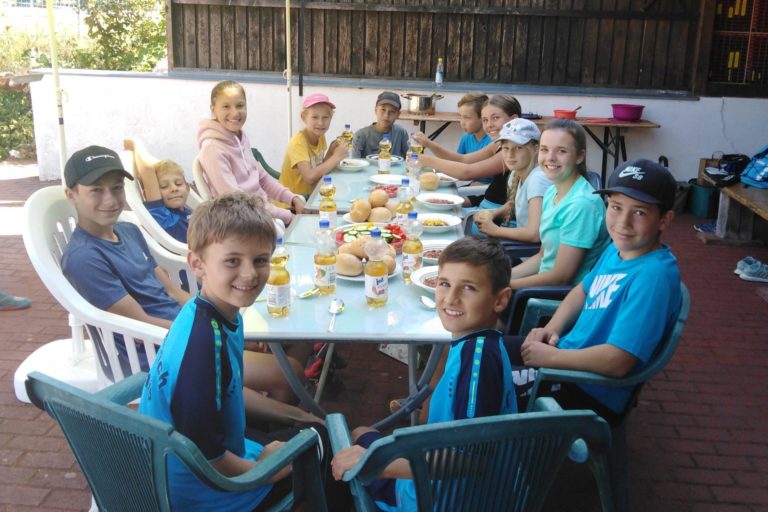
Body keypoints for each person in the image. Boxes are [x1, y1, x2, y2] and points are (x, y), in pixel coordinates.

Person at [61, 146, 314, 406]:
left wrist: (218, 320)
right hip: (161, 351)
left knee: (283, 341)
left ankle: (255, 416)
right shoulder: (84, 258)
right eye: (96, 190)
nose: (111, 200)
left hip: (187, 330)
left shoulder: (128, 231)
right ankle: (256, 421)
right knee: (288, 373)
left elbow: (171, 290)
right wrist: (218, 334)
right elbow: (140, 326)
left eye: (116, 188)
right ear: (71, 195)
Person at [139, 193, 332, 510]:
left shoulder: (205, 313)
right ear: (197, 264)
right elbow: (207, 457)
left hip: (181, 469)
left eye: (260, 260)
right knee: (323, 442)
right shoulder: (203, 349)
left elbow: (226, 392)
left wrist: (298, 414)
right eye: (232, 261)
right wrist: (265, 470)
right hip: (204, 493)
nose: (250, 274)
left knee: (307, 426)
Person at [331, 236, 517, 510]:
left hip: (438, 497)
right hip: (453, 476)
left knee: (345, 448)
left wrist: (380, 463)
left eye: (468, 288)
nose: (451, 298)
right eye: (444, 284)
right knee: (362, 432)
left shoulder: (477, 361)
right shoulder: (479, 343)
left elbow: (472, 459)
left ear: (500, 300)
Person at [506, 159, 683, 426]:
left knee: (481, 380)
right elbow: (582, 291)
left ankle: (467, 448)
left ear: (664, 220)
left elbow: (618, 361)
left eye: (639, 212)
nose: (623, 223)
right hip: (564, 356)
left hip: (587, 389)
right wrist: (551, 329)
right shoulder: (617, 249)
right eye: (616, 207)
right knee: (475, 349)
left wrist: (553, 357)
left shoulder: (653, 277)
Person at [509, 119, 610, 290]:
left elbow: (561, 277)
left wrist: (506, 287)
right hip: (539, 286)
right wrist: (504, 278)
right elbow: (543, 256)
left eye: (561, 151)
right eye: (544, 149)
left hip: (558, 297)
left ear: (580, 156)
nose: (550, 158)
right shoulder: (552, 192)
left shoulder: (581, 205)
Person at [196, 80, 305, 226]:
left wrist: (292, 199)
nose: (235, 113)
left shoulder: (239, 137)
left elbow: (262, 178)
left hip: (261, 214)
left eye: (240, 105)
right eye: (226, 106)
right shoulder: (213, 149)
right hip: (241, 224)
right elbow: (237, 202)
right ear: (213, 109)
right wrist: (287, 216)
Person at [416, 94, 522, 209]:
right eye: (485, 120)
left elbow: (467, 172)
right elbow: (462, 159)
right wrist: (429, 144)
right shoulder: (498, 144)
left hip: (492, 212)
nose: (489, 125)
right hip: (485, 203)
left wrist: (428, 161)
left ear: (514, 120)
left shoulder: (513, 151)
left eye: (495, 118)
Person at [473, 118, 552, 243]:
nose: (510, 154)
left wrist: (496, 230)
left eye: (519, 148)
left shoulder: (538, 179)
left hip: (532, 250)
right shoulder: (516, 173)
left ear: (536, 148)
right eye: (505, 148)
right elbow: (515, 203)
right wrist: (492, 214)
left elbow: (534, 234)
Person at [278, 93, 349, 196]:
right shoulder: (298, 143)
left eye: (325, 117)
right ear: (304, 117)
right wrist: (336, 158)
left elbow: (320, 169)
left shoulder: (320, 136)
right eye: (315, 117)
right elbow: (310, 177)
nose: (320, 123)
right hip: (293, 201)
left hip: (312, 195)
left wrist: (331, 151)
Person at [137, 159, 192, 243]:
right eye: (164, 186)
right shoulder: (164, 217)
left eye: (178, 183)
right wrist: (134, 150)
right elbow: (147, 170)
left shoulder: (188, 212)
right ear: (147, 195)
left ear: (187, 188)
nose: (174, 188)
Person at [351, 91, 409, 158]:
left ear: (398, 115)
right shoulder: (360, 136)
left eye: (392, 111)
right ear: (375, 110)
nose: (386, 115)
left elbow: (410, 158)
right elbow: (354, 162)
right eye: (383, 110)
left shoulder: (401, 133)